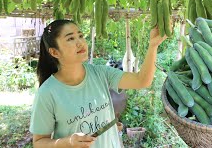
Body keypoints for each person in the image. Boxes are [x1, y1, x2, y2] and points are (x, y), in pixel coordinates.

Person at [29, 19, 167, 148]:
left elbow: (142, 80)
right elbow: (39, 142)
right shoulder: (47, 93)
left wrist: (153, 45)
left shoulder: (101, 73)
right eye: (70, 38)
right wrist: (68, 142)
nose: (80, 42)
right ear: (54, 52)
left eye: (81, 36)